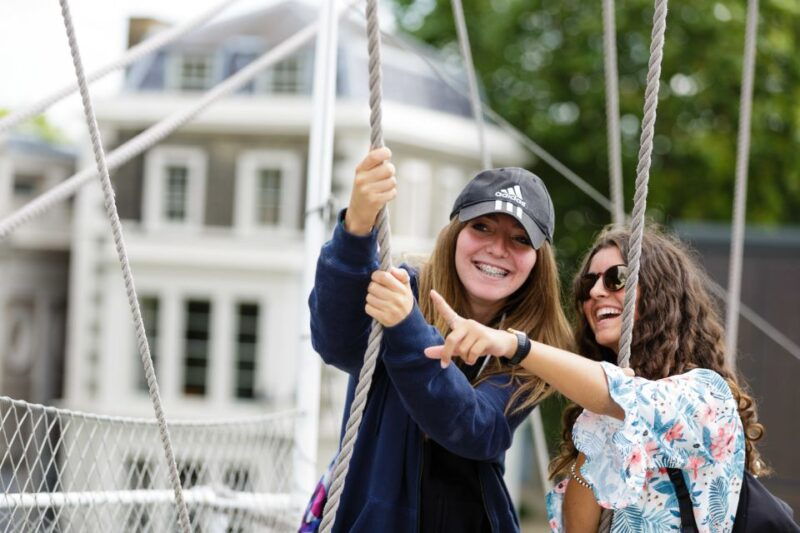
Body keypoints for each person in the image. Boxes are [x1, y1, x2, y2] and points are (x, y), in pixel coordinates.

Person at [424, 225, 768, 533]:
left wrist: (514, 344)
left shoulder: (705, 395)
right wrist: (600, 426)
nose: (596, 292)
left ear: (661, 292)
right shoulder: (598, 416)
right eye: (588, 283)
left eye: (616, 278)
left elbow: (619, 394)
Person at [301, 147, 573, 532]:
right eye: (482, 227)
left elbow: (477, 430)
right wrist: (357, 226)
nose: (497, 249)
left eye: (519, 239)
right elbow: (337, 344)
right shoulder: (404, 287)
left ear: (537, 259)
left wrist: (407, 327)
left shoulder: (532, 347)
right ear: (455, 232)